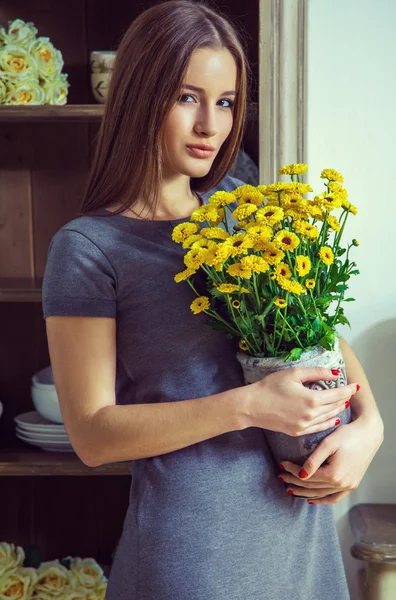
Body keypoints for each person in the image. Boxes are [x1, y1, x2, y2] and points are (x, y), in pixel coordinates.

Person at [42, 1, 384, 598]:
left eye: (225, 102)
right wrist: (250, 406)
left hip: (302, 537)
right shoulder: (89, 248)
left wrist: (370, 430)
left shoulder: (244, 211)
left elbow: (322, 336)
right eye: (186, 97)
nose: (211, 126)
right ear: (140, 95)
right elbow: (92, 435)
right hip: (194, 554)